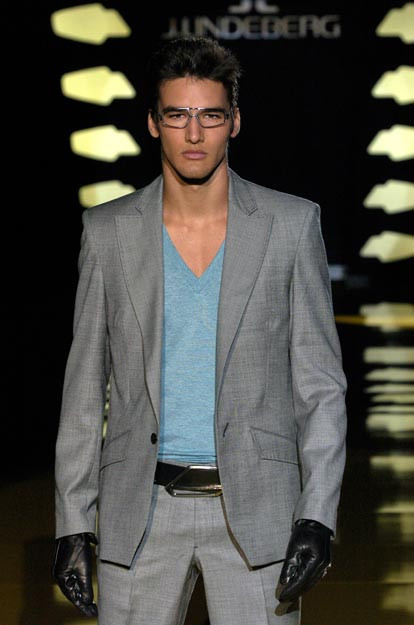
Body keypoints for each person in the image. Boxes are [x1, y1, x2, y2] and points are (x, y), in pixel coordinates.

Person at [52, 36, 347, 625]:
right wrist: (73, 521)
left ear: (234, 122)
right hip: (140, 514)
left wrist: (317, 514)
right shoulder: (108, 232)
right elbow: (84, 390)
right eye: (177, 116)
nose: (193, 134)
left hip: (258, 514)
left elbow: (320, 387)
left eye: (210, 116)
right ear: (152, 123)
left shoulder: (291, 225)